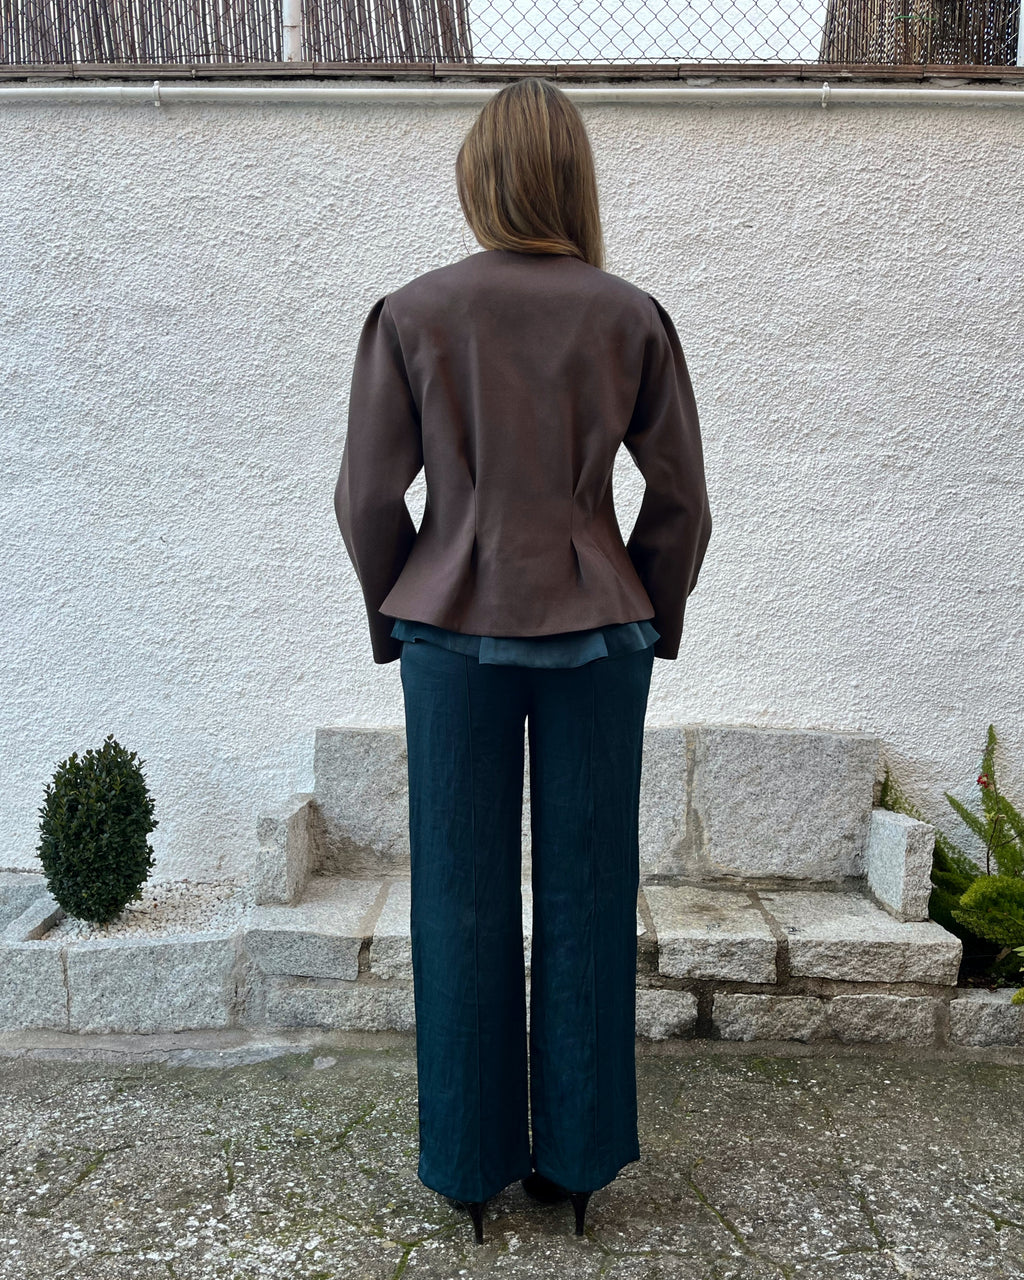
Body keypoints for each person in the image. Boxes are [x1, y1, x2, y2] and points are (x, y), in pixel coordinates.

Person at [334, 76, 712, 1245]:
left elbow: (362, 497)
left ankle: (467, 1166)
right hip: (599, 630)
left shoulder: (411, 311)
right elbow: (683, 502)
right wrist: (652, 603)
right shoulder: (630, 313)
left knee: (455, 892)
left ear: (478, 177)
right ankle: (581, 1162)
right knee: (591, 889)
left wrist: (399, 604)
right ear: (574, 179)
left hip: (452, 629)